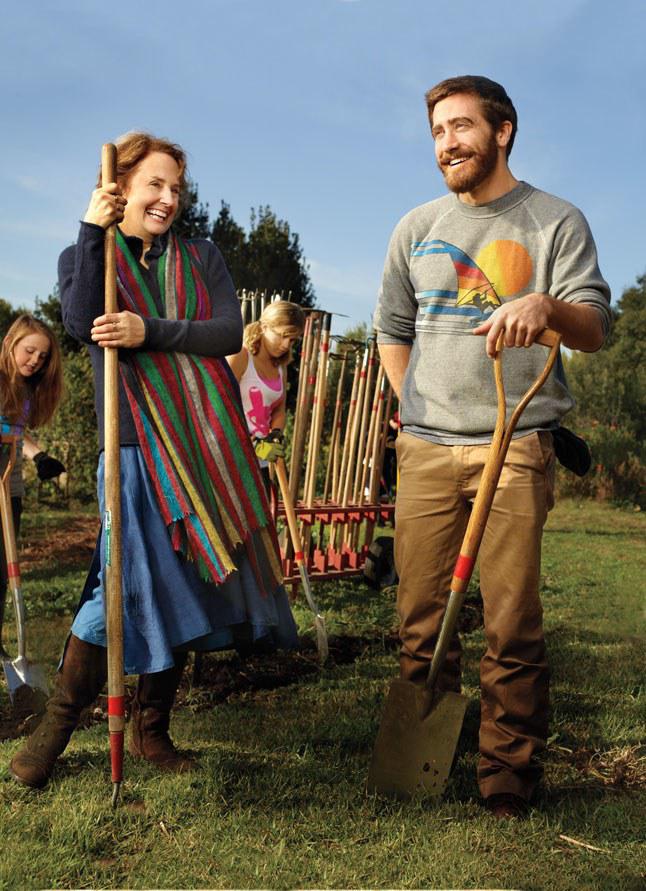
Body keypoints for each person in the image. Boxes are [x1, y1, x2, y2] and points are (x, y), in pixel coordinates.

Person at [10, 133, 298, 790]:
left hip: (202, 447)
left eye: (176, 188)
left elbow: (227, 329)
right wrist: (92, 226)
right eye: (155, 185)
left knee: (190, 581)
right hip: (132, 450)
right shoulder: (87, 258)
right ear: (121, 189)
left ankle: (151, 727)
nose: (168, 199)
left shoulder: (201, 257)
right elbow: (83, 320)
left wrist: (150, 331)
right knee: (124, 581)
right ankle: (58, 723)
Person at [374, 76, 611, 819]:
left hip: (518, 440)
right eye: (438, 131)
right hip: (426, 450)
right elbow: (391, 329)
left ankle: (506, 772)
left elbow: (596, 327)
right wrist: (415, 413)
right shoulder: (415, 227)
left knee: (510, 619)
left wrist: (547, 306)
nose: (447, 142)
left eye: (461, 127)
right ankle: (421, 754)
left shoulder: (553, 222)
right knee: (419, 616)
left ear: (502, 131)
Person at [0, 315, 65, 649]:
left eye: (42, 357)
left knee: (3, 569)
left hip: (8, 485)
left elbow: (15, 434)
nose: (35, 361)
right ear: (11, 343)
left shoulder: (26, 389)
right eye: (29, 351)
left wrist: (39, 457)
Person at [227, 300, 305, 489]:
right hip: (231, 460)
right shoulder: (240, 356)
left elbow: (279, 408)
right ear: (263, 327)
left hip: (260, 462)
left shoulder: (280, 367)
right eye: (282, 335)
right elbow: (219, 405)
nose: (286, 344)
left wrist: (275, 435)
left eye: (293, 339)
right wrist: (251, 444)